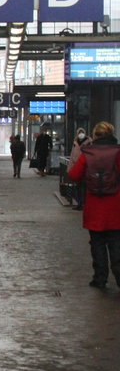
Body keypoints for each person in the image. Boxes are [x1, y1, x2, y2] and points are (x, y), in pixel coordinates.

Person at [66, 121, 120, 288]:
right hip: (116, 209)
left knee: (97, 245)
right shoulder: (118, 152)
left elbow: (73, 175)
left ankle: (99, 278)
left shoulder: (87, 153)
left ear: (95, 135)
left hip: (94, 208)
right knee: (116, 245)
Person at [68, 127, 88, 209]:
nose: (81, 134)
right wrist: (70, 168)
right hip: (77, 167)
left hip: (86, 168)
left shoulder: (89, 142)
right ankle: (80, 203)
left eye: (82, 132)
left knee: (84, 187)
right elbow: (72, 155)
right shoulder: (75, 143)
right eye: (79, 133)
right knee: (78, 187)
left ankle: (83, 203)